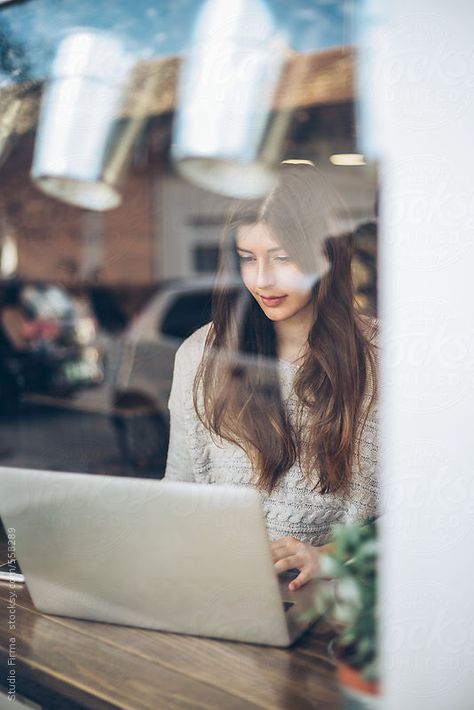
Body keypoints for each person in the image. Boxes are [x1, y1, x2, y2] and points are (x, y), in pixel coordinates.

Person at [165, 163, 378, 591]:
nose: (262, 280)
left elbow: (425, 512)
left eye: (282, 258)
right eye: (247, 259)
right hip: (221, 587)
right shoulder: (199, 356)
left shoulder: (385, 359)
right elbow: (178, 492)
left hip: (335, 602)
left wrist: (331, 557)